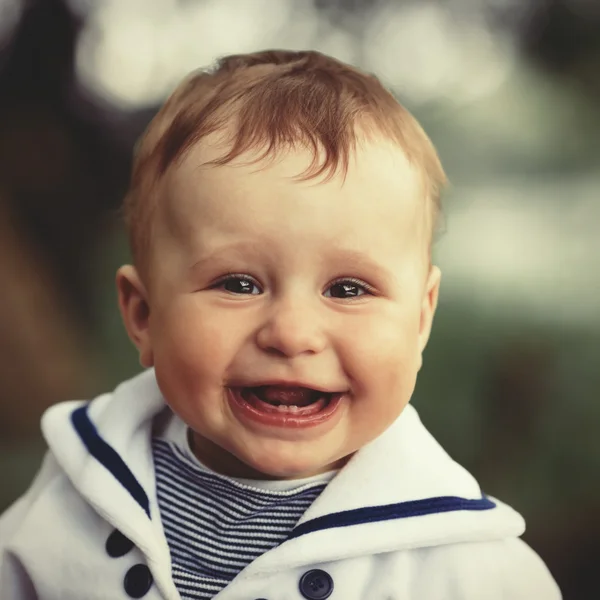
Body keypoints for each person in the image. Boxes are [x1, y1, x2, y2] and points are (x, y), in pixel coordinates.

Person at [0, 50, 561, 600]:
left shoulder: (473, 571)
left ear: (420, 321)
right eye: (238, 284)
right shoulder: (74, 493)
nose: (292, 334)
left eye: (347, 289)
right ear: (143, 315)